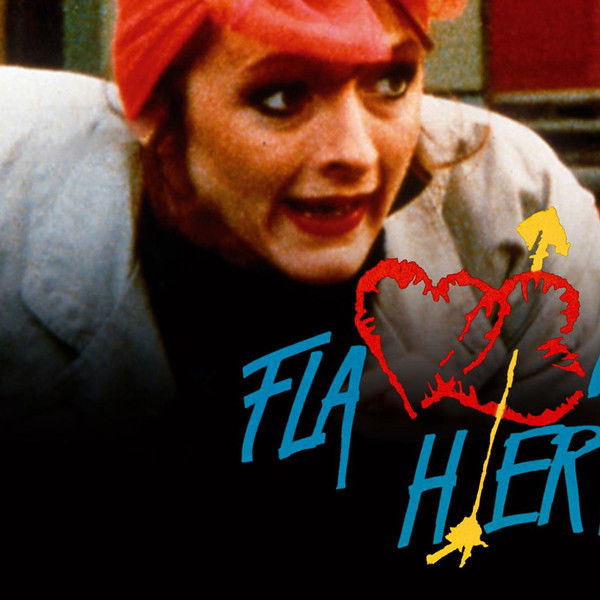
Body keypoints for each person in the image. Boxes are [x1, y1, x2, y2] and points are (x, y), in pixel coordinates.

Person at [1, 0, 599, 575]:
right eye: (282, 97)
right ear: (157, 110)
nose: (355, 153)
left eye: (391, 82)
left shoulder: (517, 209)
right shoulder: (15, 191)